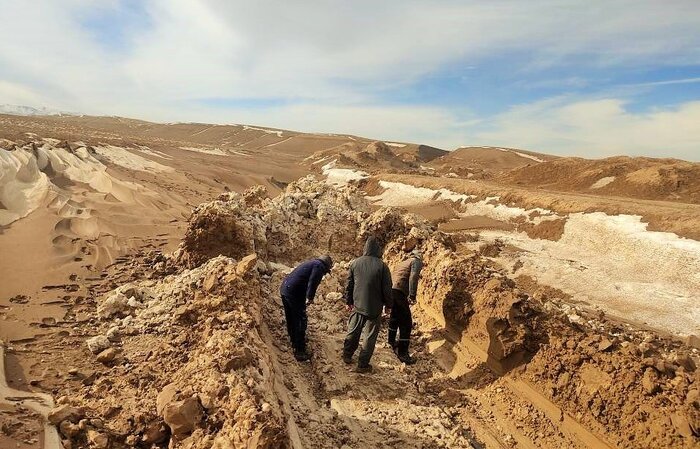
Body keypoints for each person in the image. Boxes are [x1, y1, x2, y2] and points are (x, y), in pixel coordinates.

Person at [342, 236, 393, 373]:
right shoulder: (382, 266)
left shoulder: (355, 263)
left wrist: (348, 302)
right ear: (378, 250)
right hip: (374, 308)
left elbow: (349, 285)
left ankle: (347, 355)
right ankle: (362, 365)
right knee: (369, 336)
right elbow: (387, 288)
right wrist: (389, 305)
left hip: (358, 304)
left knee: (353, 330)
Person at [280, 255, 333, 361]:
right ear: (326, 266)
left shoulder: (311, 263)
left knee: (291, 317)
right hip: (293, 293)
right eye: (326, 272)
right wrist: (310, 297)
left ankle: (293, 340)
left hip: (285, 290)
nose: (324, 274)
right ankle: (300, 351)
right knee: (301, 320)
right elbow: (313, 282)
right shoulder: (319, 266)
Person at [388, 249, 423, 364]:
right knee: (406, 322)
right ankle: (403, 353)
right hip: (399, 292)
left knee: (394, 318)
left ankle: (391, 342)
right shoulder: (416, 261)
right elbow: (413, 277)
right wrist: (412, 295)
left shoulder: (403, 263)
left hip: (391, 291)